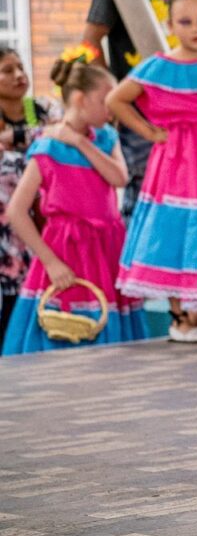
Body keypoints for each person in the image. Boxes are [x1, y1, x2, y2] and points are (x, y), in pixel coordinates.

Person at [109, 0, 197, 344]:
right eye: (185, 21)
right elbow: (114, 99)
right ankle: (179, 313)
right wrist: (150, 132)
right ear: (170, 25)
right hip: (177, 163)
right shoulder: (158, 66)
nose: (195, 28)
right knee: (176, 231)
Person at [1, 62, 145, 356]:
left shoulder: (106, 138)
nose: (113, 107)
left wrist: (80, 142)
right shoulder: (47, 148)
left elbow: (119, 177)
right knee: (65, 325)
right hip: (67, 248)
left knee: (112, 326)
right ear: (80, 99)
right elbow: (16, 211)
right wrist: (50, 262)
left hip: (107, 247)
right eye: (106, 99)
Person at [83, 0, 193, 221]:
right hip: (138, 111)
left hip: (181, 107)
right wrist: (113, 95)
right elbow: (89, 42)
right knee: (144, 193)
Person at [0, 47, 61, 352]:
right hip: (6, 226)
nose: (19, 75)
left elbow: (57, 132)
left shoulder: (40, 107)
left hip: (42, 216)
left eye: (20, 67)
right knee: (10, 296)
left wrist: (13, 137)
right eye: (7, 71)